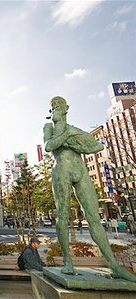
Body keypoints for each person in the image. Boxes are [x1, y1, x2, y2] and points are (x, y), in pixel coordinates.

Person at [44, 96, 136, 281]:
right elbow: (48, 145)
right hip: (61, 170)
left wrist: (70, 139)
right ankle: (67, 261)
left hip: (81, 171)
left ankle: (113, 264)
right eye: (52, 106)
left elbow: (94, 147)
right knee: (62, 213)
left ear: (66, 108)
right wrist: (68, 137)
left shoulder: (74, 130)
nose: (54, 108)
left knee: (93, 215)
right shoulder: (50, 128)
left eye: (58, 105)